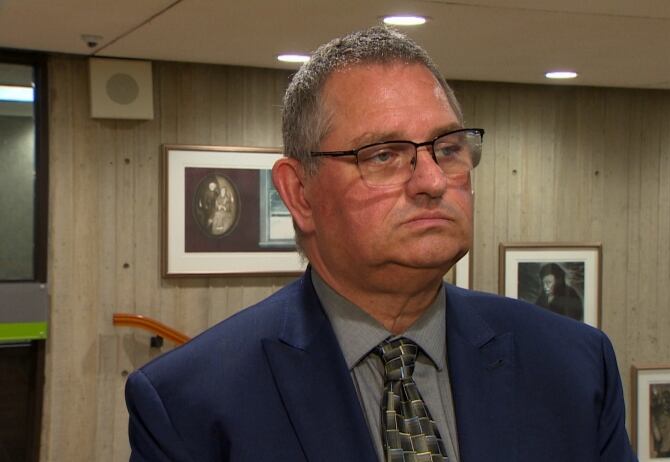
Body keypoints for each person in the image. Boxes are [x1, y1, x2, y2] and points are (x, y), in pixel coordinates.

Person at [125, 26, 637, 461]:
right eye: (384, 156)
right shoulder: (190, 403)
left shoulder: (574, 364)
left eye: (448, 148)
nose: (432, 181)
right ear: (298, 192)